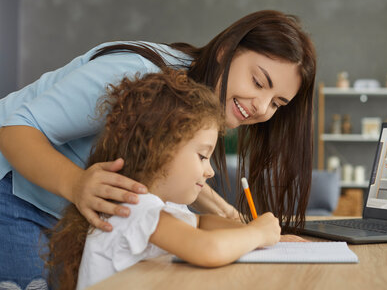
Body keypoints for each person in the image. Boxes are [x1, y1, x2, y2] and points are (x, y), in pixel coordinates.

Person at [0, 10, 316, 288]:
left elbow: (170, 170)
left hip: (66, 203)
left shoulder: (194, 105)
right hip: (12, 181)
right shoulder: (138, 76)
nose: (261, 107)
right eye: (259, 82)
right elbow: (15, 131)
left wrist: (239, 224)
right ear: (224, 52)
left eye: (277, 103)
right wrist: (76, 184)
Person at [47, 70, 282, 290]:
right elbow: (207, 249)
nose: (209, 171)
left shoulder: (160, 206)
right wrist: (257, 234)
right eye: (202, 156)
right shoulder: (134, 207)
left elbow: (200, 224)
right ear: (159, 149)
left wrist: (249, 229)